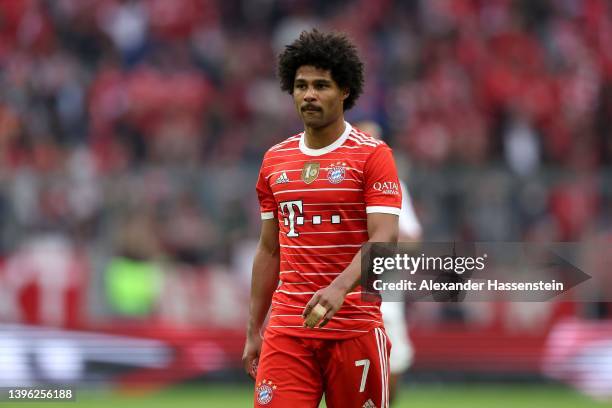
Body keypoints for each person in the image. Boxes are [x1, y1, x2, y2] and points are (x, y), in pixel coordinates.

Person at [242, 30, 402, 408]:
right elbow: (269, 250)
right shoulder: (274, 161)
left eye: (321, 85)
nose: (309, 95)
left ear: (344, 90)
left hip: (354, 328)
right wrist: (254, 328)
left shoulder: (372, 156)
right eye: (300, 86)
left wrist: (338, 289)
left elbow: (384, 241)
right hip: (288, 330)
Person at [356, 121, 422, 405]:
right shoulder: (338, 182)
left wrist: (382, 239)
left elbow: (413, 239)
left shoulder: (393, 184)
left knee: (391, 364)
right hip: (345, 290)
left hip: (384, 290)